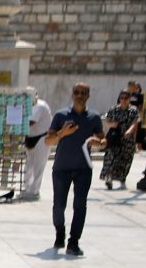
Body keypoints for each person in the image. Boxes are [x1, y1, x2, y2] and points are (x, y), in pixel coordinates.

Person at [46, 83, 106, 257]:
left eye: (83, 93)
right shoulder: (60, 116)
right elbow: (48, 141)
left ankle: (74, 242)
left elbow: (102, 140)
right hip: (61, 168)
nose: (80, 95)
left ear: (88, 95)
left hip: (83, 169)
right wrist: (61, 134)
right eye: (77, 92)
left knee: (80, 205)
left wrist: (99, 142)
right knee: (59, 206)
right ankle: (60, 232)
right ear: (72, 95)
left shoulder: (94, 117)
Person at [100, 90, 139, 190]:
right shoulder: (114, 109)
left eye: (126, 98)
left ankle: (122, 180)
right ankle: (109, 178)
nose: (123, 100)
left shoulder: (133, 110)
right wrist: (112, 124)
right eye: (121, 98)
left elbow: (135, 122)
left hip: (127, 139)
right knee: (111, 157)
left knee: (125, 160)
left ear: (129, 99)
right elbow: (107, 121)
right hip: (114, 137)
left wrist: (129, 131)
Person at [21, 95, 53, 200]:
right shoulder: (26, 106)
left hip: (41, 138)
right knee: (28, 166)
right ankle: (27, 189)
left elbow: (30, 122)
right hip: (30, 137)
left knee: (38, 166)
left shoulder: (40, 106)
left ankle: (34, 191)